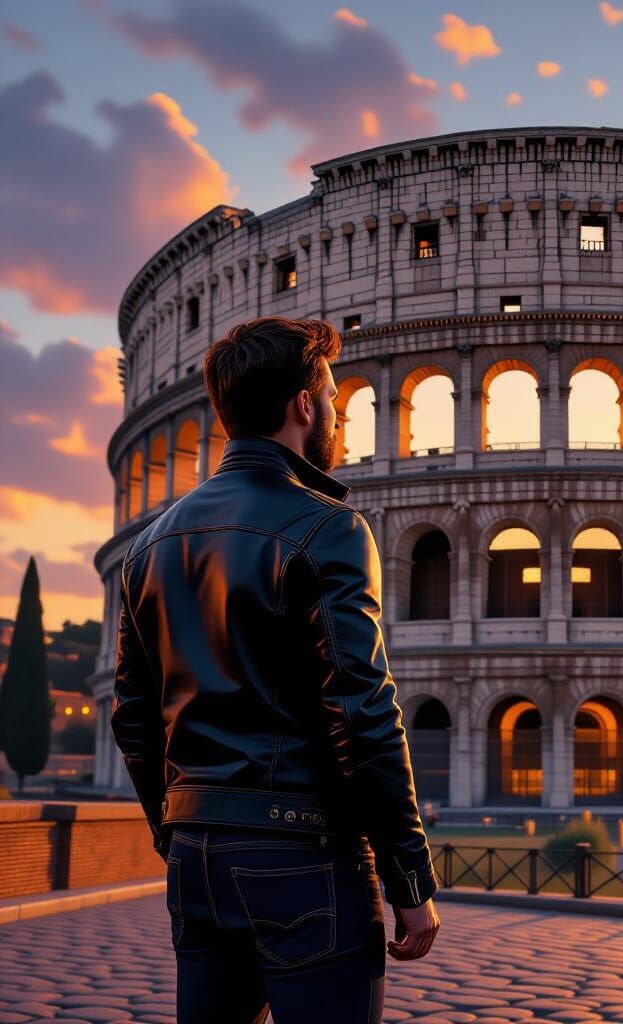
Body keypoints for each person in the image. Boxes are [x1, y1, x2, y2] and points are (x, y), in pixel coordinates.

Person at [111, 317, 440, 1024]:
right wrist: (409, 875)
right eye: (332, 397)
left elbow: (132, 718)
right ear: (303, 405)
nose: (336, 413)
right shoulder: (327, 527)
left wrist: (175, 832)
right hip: (303, 852)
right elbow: (360, 710)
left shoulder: (148, 545)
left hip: (198, 854)